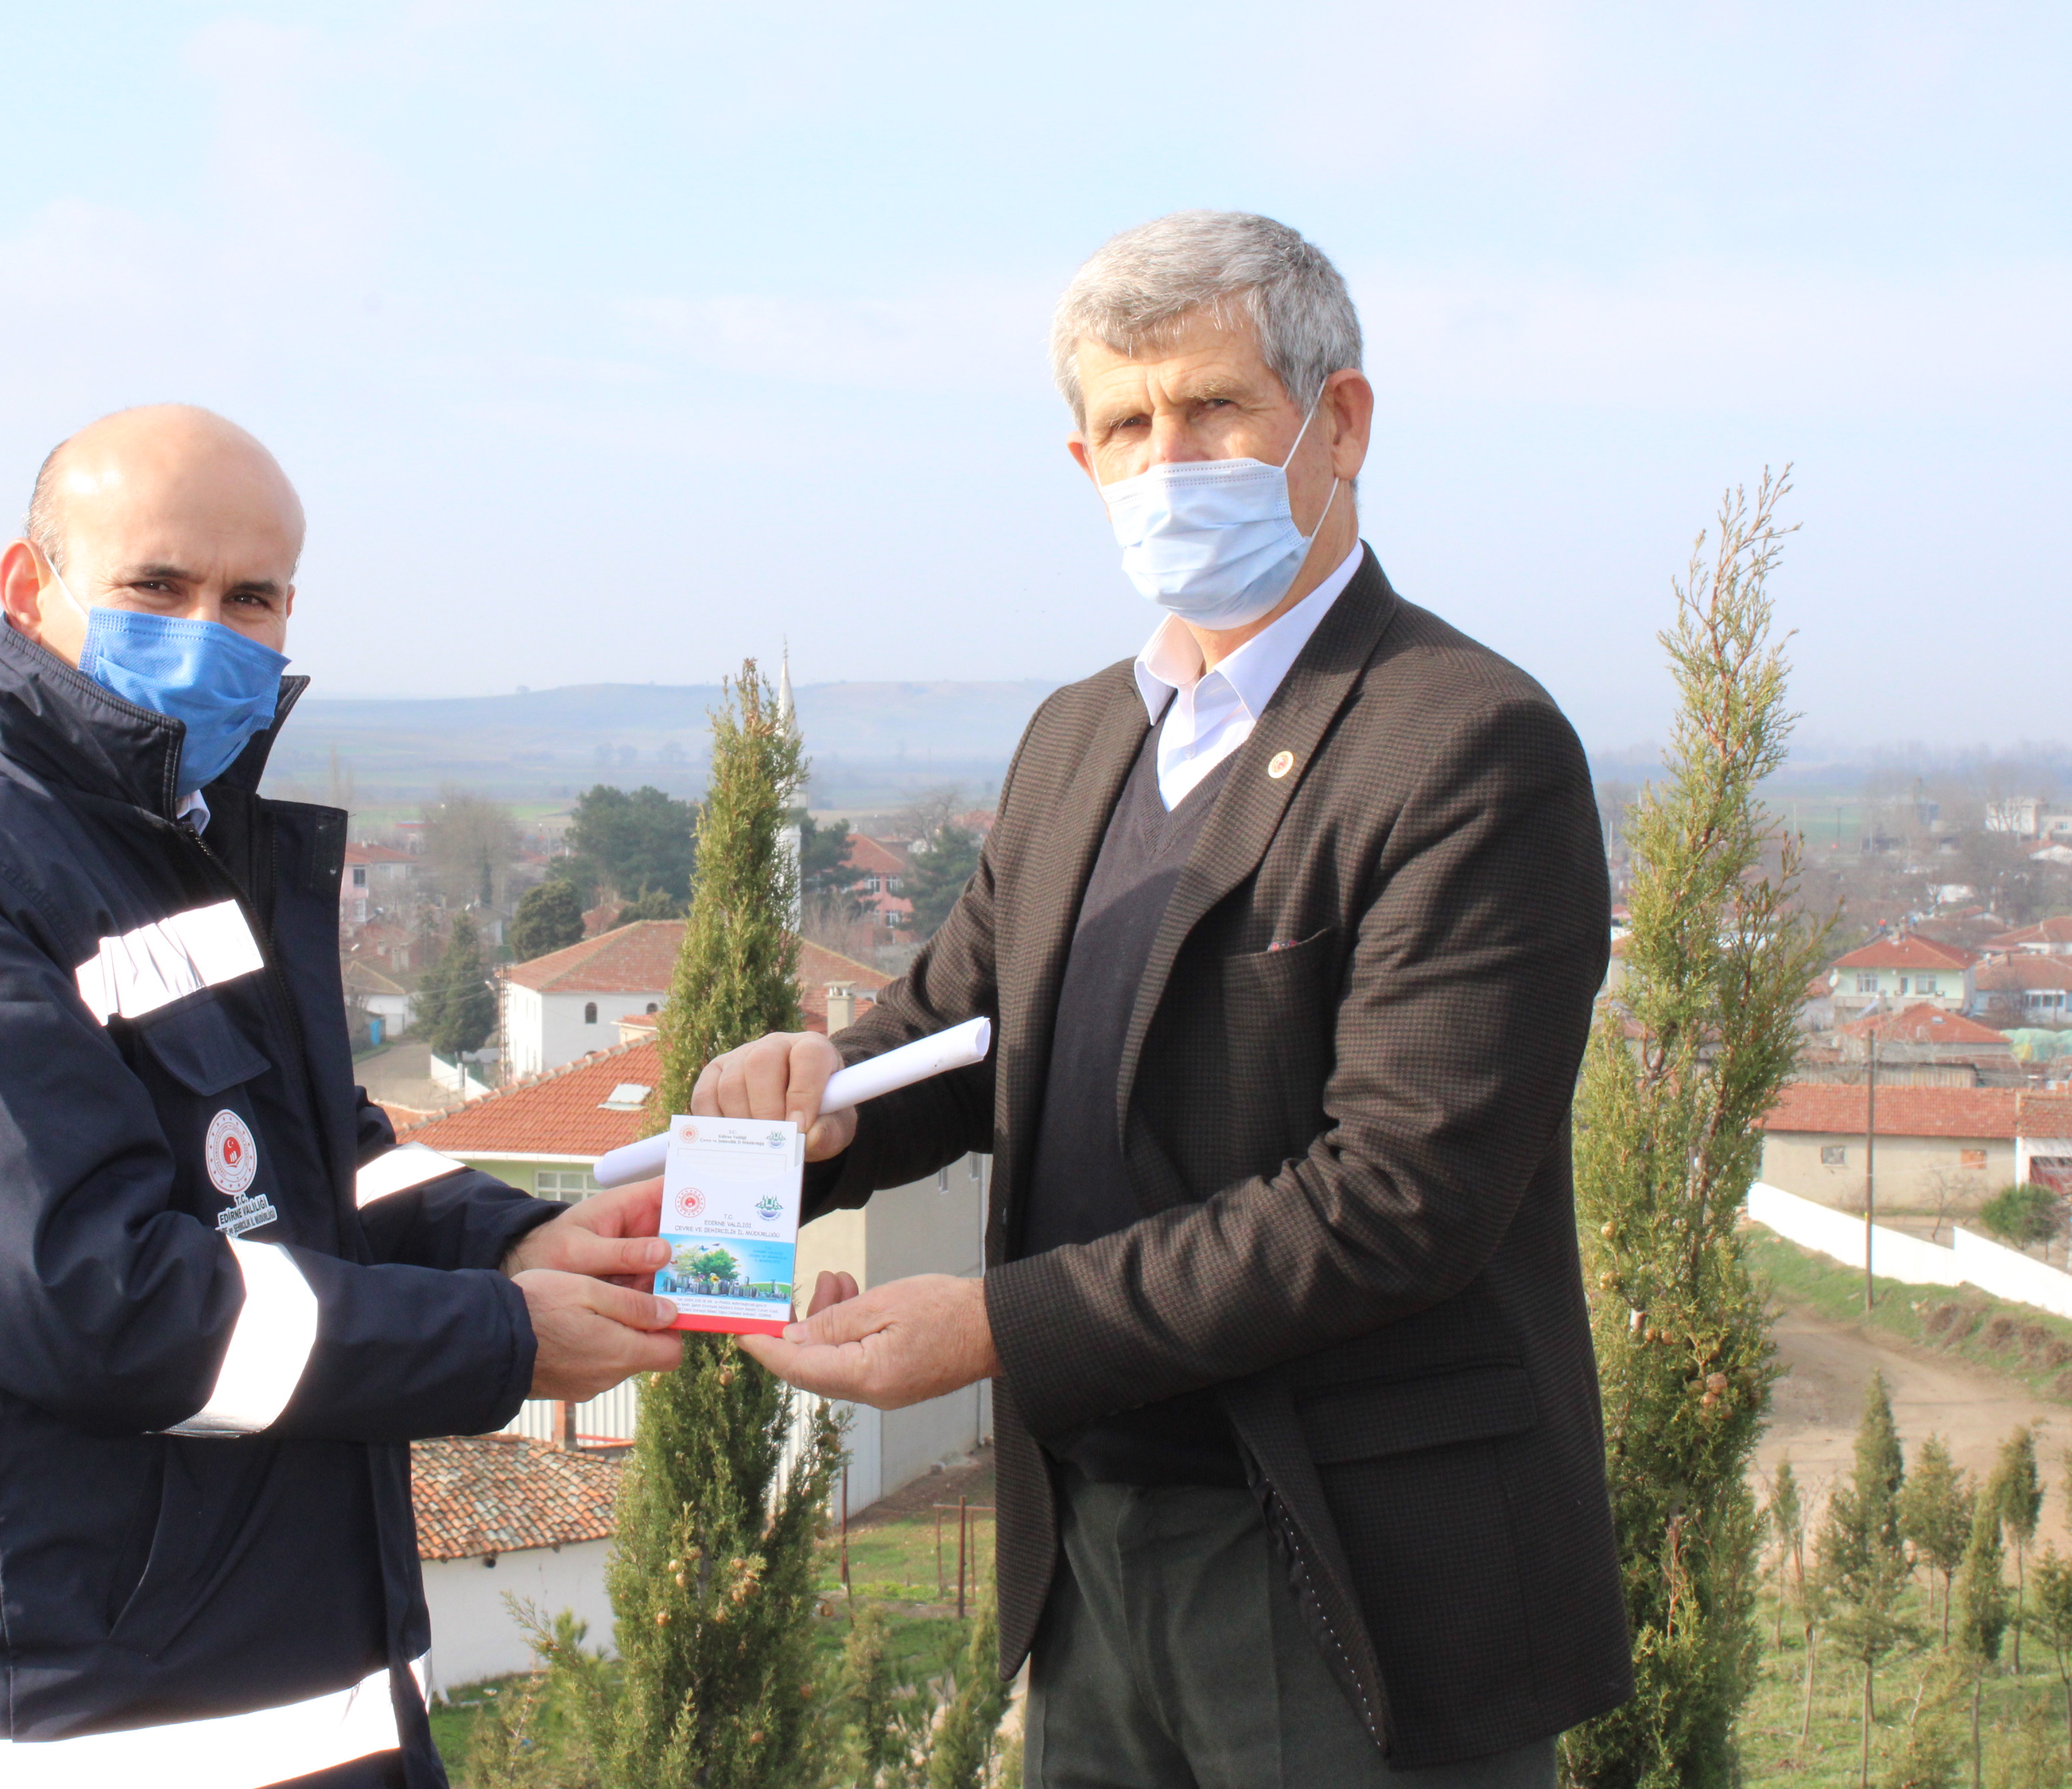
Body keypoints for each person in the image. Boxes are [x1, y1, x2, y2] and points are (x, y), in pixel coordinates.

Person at [698, 214, 1632, 1786]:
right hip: (1091, 1547)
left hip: (1348, 1565)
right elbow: (961, 1026)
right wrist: (807, 1112)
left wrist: (993, 1325)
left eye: (1214, 408)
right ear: (1083, 463)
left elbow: (1399, 1198)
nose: (1167, 458)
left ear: (1339, 423)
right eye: (1127, 425)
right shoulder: (1079, 736)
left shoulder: (1466, 742)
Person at [0, 405, 681, 1787]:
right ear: (32, 587)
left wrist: (506, 1239)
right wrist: (499, 1337)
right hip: (70, 1735)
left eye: (250, 597)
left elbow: (321, 1169)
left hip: (301, 1699)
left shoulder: (180, 854)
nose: (207, 630)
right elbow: (100, 1302)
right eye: (157, 586)